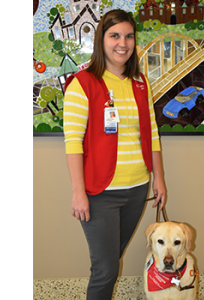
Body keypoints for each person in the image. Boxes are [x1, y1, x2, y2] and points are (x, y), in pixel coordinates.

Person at [63, 9, 166, 300]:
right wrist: (78, 192)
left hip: (137, 189)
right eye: (115, 35)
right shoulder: (81, 84)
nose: (123, 43)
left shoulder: (139, 84)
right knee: (106, 269)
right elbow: (73, 142)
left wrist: (159, 178)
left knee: (110, 261)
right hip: (100, 192)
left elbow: (152, 134)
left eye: (129, 36)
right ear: (101, 40)